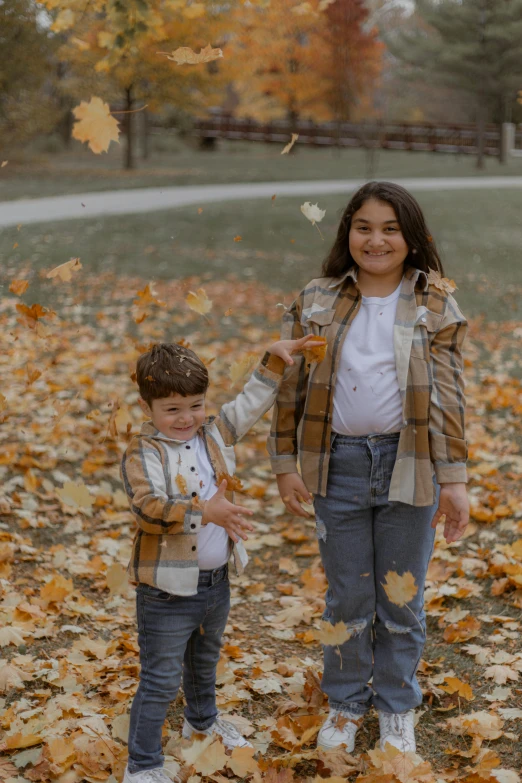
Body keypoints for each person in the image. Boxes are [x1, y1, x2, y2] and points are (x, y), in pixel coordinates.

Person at [268, 181, 469, 755]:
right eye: (364, 227)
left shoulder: (436, 302)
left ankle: (397, 706)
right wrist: (285, 465)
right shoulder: (315, 299)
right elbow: (289, 388)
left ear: (411, 236)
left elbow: (450, 397)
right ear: (347, 233)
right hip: (338, 466)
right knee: (348, 595)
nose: (376, 240)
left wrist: (455, 482)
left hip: (412, 467)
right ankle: (347, 702)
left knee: (400, 597)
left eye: (390, 229)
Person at [121, 336, 315, 783]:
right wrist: (202, 510)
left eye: (195, 404)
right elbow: (147, 507)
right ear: (146, 406)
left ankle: (202, 722)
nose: (187, 417)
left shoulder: (213, 433)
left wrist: (271, 361)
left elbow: (249, 404)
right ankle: (143, 765)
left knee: (204, 663)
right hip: (166, 592)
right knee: (161, 679)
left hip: (214, 583)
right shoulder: (144, 452)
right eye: (172, 409)